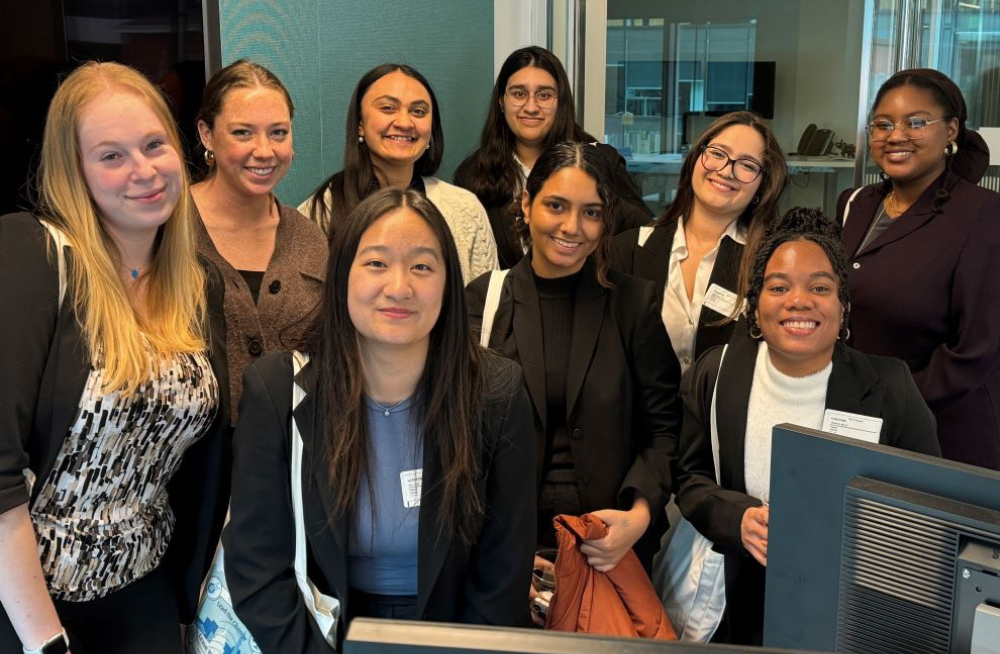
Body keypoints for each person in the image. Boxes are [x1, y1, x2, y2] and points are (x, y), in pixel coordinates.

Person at [225, 188, 536, 651]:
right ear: (342, 276)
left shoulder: (496, 391)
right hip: (322, 633)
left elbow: (504, 571)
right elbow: (256, 566)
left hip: (455, 630)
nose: (399, 287)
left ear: (449, 282)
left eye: (422, 266)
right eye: (375, 263)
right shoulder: (277, 390)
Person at [0, 61, 229, 654]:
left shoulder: (196, 284)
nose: (144, 170)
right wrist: (44, 639)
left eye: (154, 144)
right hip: (28, 607)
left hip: (143, 593)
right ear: (74, 172)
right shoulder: (32, 254)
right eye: (111, 155)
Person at [675, 207, 941, 646]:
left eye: (820, 287)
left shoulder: (891, 387)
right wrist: (735, 519)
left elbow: (928, 508)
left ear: (844, 308)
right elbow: (689, 478)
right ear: (756, 309)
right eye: (778, 287)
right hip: (736, 605)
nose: (799, 300)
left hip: (848, 612)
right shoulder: (716, 372)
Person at [465, 141, 682, 621]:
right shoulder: (484, 302)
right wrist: (502, 553)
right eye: (556, 206)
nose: (571, 228)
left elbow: (665, 430)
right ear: (526, 203)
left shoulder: (632, 305)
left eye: (591, 213)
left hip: (610, 548)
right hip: (505, 552)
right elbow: (458, 440)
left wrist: (638, 520)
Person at [837, 68, 1000, 470]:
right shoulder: (853, 205)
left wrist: (888, 404)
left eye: (916, 123)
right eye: (883, 124)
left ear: (951, 132)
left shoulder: (982, 214)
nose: (896, 136)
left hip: (939, 436)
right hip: (854, 424)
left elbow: (975, 351)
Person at [192, 59, 327, 423]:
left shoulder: (310, 239)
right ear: (207, 134)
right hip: (192, 466)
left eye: (278, 133)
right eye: (243, 133)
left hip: (291, 458)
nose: (265, 150)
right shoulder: (168, 231)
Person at [611, 111, 788, 371]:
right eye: (717, 153)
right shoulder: (629, 251)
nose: (727, 171)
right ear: (696, 158)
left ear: (762, 186)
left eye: (747, 165)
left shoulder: (772, 262)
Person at [454, 46, 651, 269]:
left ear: (560, 102)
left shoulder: (602, 161)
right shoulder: (471, 175)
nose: (531, 107)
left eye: (544, 95)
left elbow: (644, 240)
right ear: (501, 101)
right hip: (511, 301)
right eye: (519, 94)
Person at [300, 63, 497, 283]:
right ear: (360, 125)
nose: (404, 122)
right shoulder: (320, 211)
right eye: (387, 108)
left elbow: (484, 310)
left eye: (418, 111)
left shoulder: (465, 210)